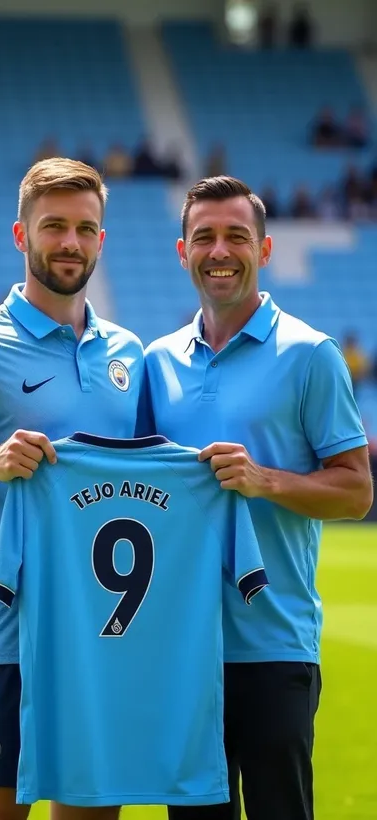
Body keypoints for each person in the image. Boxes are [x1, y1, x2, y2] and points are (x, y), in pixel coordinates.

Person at [0, 157, 144, 820]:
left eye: (84, 228)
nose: (69, 242)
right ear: (22, 236)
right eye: (53, 227)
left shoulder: (131, 354)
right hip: (7, 635)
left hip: (105, 636)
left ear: (101, 239)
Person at [137, 175, 373, 820]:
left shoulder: (311, 354)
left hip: (274, 644)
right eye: (204, 237)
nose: (220, 251)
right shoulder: (156, 363)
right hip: (181, 647)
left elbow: (355, 490)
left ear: (264, 249)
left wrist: (266, 479)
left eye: (236, 236)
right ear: (181, 249)